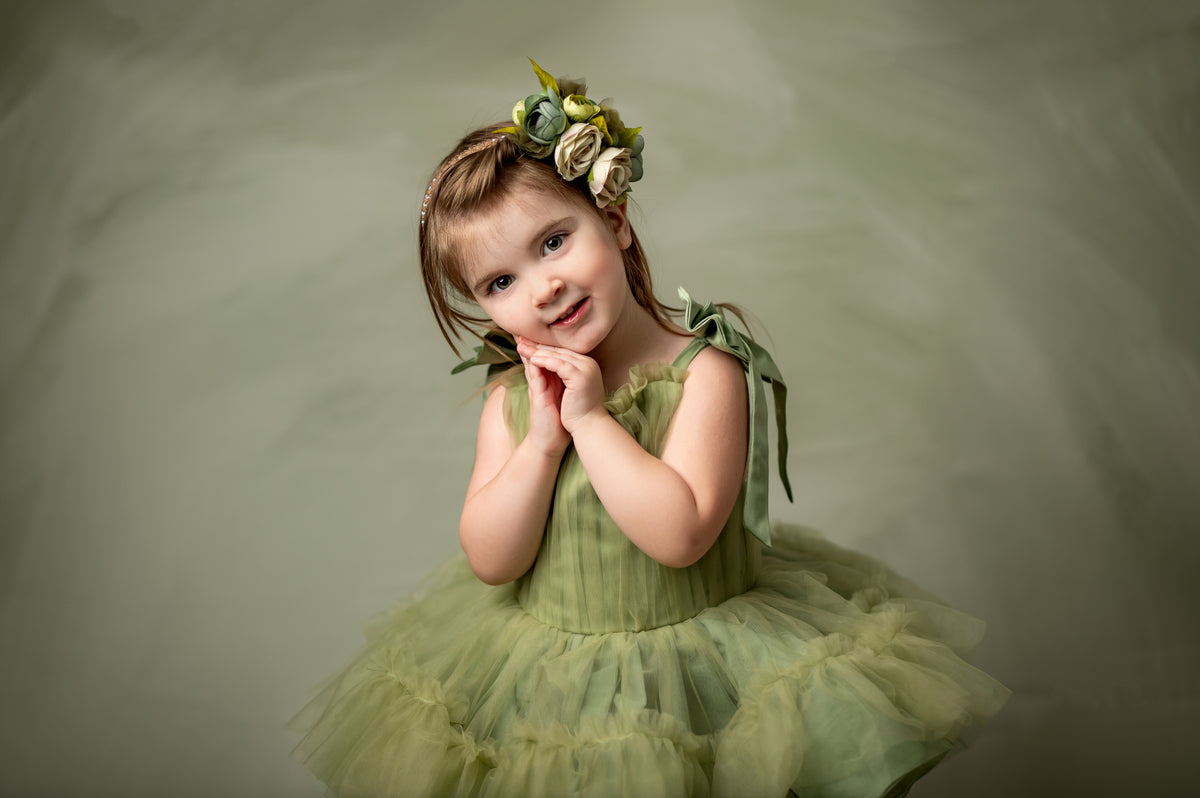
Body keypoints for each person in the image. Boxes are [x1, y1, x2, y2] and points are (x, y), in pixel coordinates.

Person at [289, 60, 1009, 798]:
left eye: (553, 242)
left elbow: (680, 534)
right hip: (555, 684)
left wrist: (590, 420)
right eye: (500, 283)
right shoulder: (513, 400)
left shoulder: (706, 373)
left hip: (705, 674)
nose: (544, 286)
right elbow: (493, 559)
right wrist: (543, 442)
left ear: (615, 221)